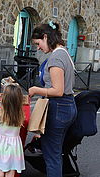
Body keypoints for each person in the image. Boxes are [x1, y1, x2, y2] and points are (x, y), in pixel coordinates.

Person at [28, 21, 77, 177]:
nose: (38, 48)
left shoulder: (55, 58)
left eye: (38, 43)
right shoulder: (64, 52)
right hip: (68, 107)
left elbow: (58, 90)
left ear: (45, 37)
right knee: (55, 152)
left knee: (52, 156)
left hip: (58, 108)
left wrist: (35, 90)